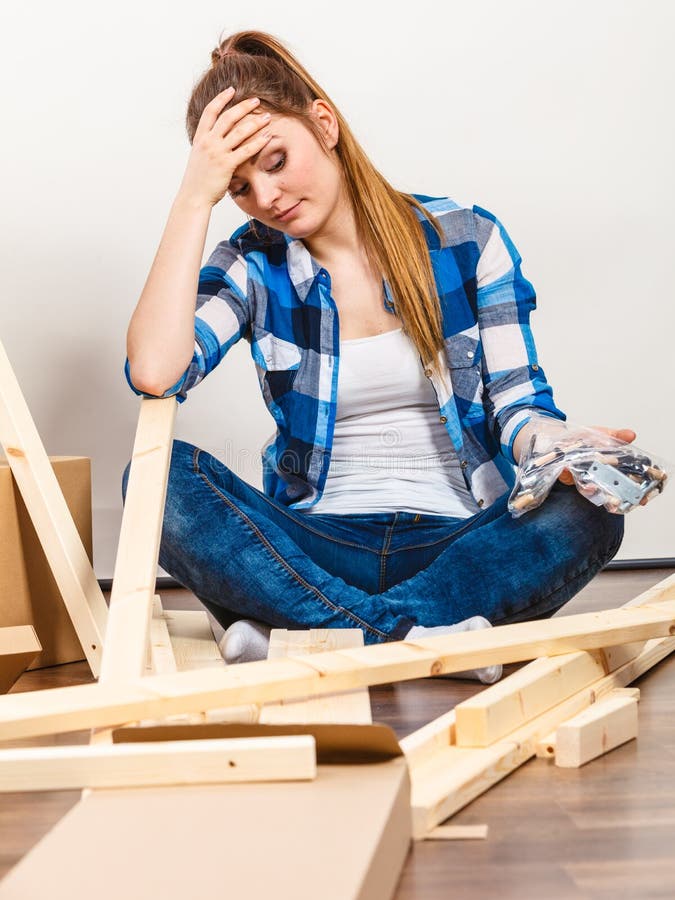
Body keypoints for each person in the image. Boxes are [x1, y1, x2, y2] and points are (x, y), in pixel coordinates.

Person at [122, 30, 628, 679]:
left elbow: (519, 408)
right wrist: (195, 195)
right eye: (239, 186)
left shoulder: (468, 238)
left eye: (274, 161)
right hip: (317, 546)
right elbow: (155, 372)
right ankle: (435, 638)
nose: (266, 198)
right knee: (156, 480)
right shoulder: (252, 262)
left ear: (323, 123)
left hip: (460, 542)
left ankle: (307, 637)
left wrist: (563, 449)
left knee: (588, 507)